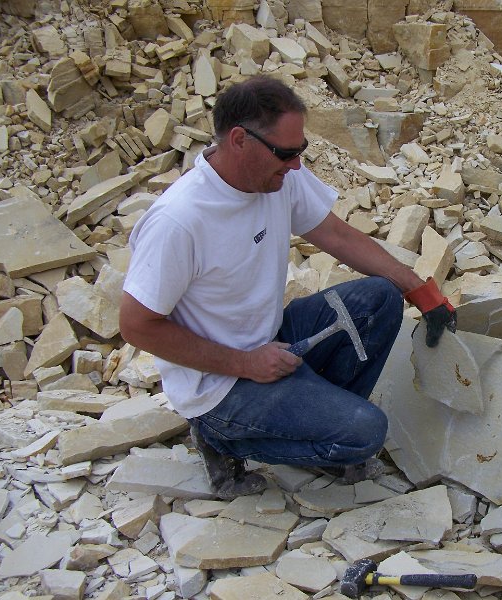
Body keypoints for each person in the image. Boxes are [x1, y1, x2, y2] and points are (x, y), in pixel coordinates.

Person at [119, 75, 457, 499]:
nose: (296, 164)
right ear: (239, 139)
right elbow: (137, 326)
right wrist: (246, 364)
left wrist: (420, 291)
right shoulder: (180, 221)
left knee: (380, 298)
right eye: (286, 153)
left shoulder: (276, 176)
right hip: (219, 384)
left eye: (301, 151)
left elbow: (337, 236)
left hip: (270, 342)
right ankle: (220, 439)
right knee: (367, 431)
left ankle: (317, 426)